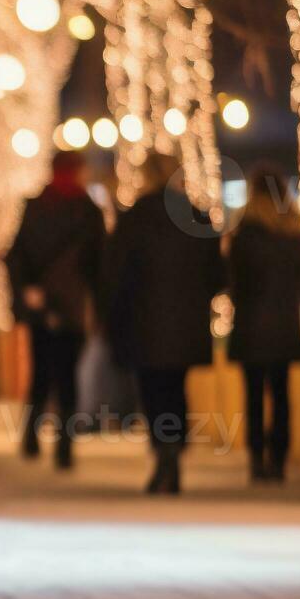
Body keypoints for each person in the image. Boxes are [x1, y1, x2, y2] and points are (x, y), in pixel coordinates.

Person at [103, 153, 224, 496]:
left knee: (152, 389)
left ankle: (163, 452)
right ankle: (172, 452)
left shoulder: (134, 219)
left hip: (142, 322)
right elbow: (216, 274)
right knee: (175, 386)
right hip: (185, 323)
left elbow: (113, 273)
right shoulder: (196, 217)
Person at [5, 149, 105, 470]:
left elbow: (17, 254)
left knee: (41, 373)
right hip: (74, 304)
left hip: (40, 303)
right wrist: (98, 307)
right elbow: (100, 264)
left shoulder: (36, 206)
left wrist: (28, 290)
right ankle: (64, 448)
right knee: (68, 376)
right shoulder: (89, 210)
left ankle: (32, 438)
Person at [226, 165, 300, 484]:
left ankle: (256, 457)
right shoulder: (294, 235)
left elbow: (232, 283)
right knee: (281, 392)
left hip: (250, 325)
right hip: (283, 326)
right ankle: (278, 458)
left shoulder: (243, 235)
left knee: (252, 393)